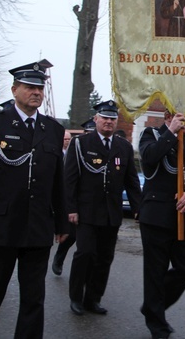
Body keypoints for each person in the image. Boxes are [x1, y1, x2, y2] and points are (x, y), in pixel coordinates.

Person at [0, 61, 69, 339]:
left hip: (37, 227)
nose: (36, 92)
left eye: (40, 88)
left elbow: (58, 181)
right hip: (0, 225)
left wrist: (62, 222)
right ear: (14, 89)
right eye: (30, 87)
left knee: (34, 299)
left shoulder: (52, 129)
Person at [138, 109, 185, 339]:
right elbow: (150, 159)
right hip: (156, 216)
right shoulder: (150, 135)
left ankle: (153, 305)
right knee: (155, 272)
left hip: (183, 217)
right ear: (168, 117)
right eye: (181, 117)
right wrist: (170, 133)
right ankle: (157, 324)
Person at [64, 100, 141, 316]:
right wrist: (71, 208)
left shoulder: (123, 147)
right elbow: (69, 179)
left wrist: (138, 208)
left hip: (111, 212)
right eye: (104, 118)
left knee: (105, 258)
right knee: (85, 253)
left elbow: (131, 180)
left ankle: (93, 298)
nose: (108, 122)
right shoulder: (81, 144)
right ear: (96, 119)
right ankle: (76, 297)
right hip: (86, 211)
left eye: (112, 118)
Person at [52, 123, 94, 276]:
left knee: (89, 244)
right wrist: (70, 206)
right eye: (88, 132)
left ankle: (86, 274)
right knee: (71, 236)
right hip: (76, 200)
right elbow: (69, 178)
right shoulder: (77, 148)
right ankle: (59, 257)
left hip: (92, 202)